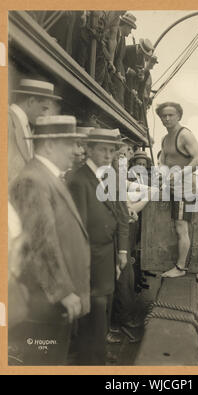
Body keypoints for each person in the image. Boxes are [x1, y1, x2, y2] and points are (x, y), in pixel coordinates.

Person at [9, 115, 91, 365]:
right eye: (71, 143)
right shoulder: (33, 180)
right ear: (50, 145)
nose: (78, 151)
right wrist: (63, 291)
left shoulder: (49, 176)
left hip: (53, 304)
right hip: (45, 305)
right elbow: (39, 241)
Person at [68, 128, 129, 365]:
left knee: (102, 307)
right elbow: (78, 228)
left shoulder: (108, 176)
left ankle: (98, 352)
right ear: (89, 149)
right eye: (102, 149)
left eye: (112, 150)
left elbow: (121, 214)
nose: (108, 154)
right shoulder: (79, 180)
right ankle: (91, 360)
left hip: (107, 252)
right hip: (91, 255)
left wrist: (121, 251)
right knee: (94, 309)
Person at [156, 102, 198, 278]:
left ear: (179, 116)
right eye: (163, 116)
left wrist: (177, 175)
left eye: (171, 115)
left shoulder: (184, 135)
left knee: (181, 227)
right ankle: (172, 262)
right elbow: (162, 160)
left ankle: (181, 268)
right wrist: (161, 172)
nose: (167, 118)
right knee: (173, 225)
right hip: (171, 187)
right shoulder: (164, 139)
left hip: (185, 189)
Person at [8, 78, 62, 185]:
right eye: (44, 109)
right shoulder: (6, 119)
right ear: (31, 101)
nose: (45, 115)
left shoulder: (27, 126)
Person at [112, 12, 137, 106]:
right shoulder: (113, 32)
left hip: (116, 72)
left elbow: (119, 58)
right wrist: (117, 72)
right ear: (125, 25)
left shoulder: (122, 39)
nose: (130, 32)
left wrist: (119, 72)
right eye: (130, 28)